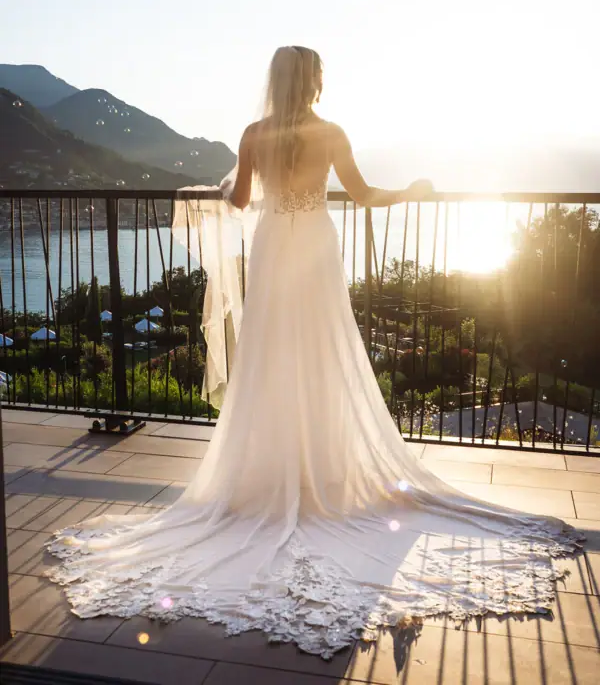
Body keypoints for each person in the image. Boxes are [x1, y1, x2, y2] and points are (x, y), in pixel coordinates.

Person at [46, 46, 584, 659]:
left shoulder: (253, 133)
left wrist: (218, 188)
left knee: (272, 358)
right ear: (314, 82)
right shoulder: (330, 133)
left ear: (275, 82)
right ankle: (321, 473)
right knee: (325, 354)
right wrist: (409, 191)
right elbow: (360, 194)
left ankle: (268, 474)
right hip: (317, 254)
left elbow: (240, 201)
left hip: (275, 250)